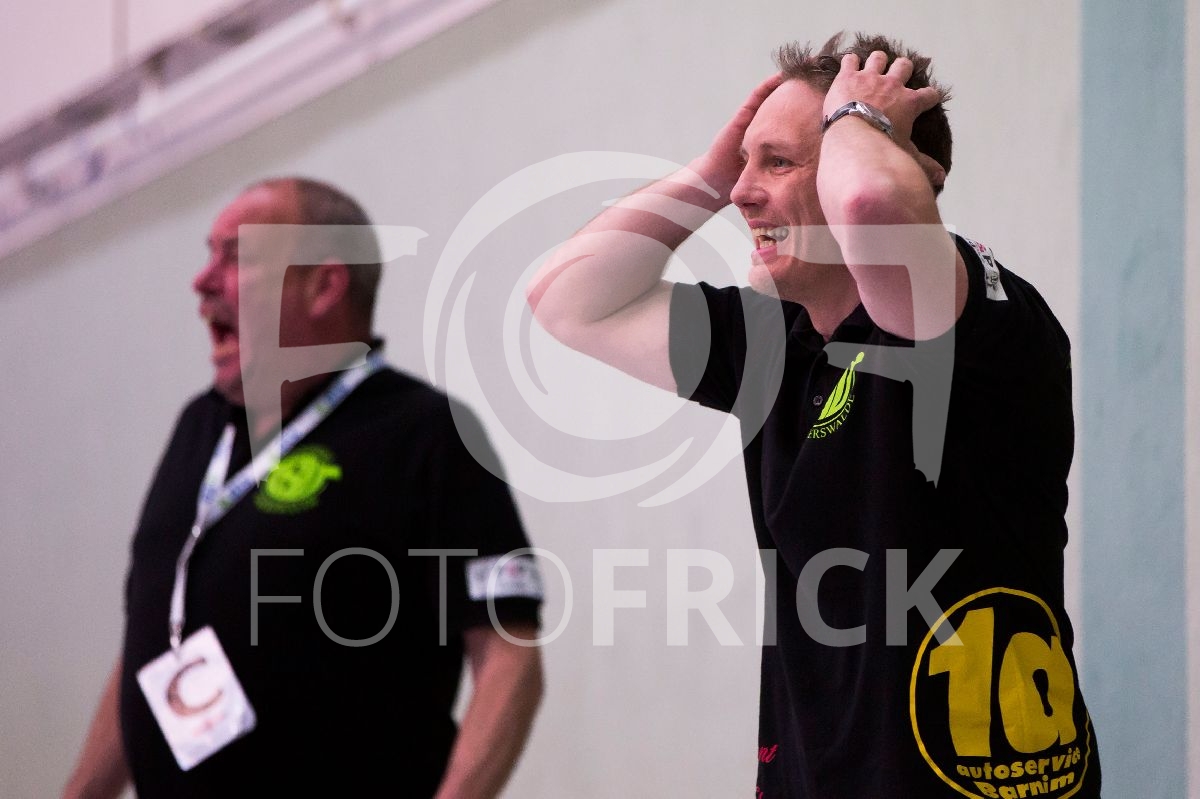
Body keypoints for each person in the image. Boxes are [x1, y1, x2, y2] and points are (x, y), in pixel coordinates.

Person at [528, 33, 1100, 798]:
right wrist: (709, 175)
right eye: (746, 164)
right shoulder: (774, 342)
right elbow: (565, 297)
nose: (743, 193)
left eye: (780, 162)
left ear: (912, 168)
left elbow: (871, 203)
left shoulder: (968, 315)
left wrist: (859, 118)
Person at [64, 177, 544, 799]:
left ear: (324, 286)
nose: (202, 281)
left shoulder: (423, 432)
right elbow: (148, 647)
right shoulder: (199, 428)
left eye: (235, 257)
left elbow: (510, 659)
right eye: (209, 256)